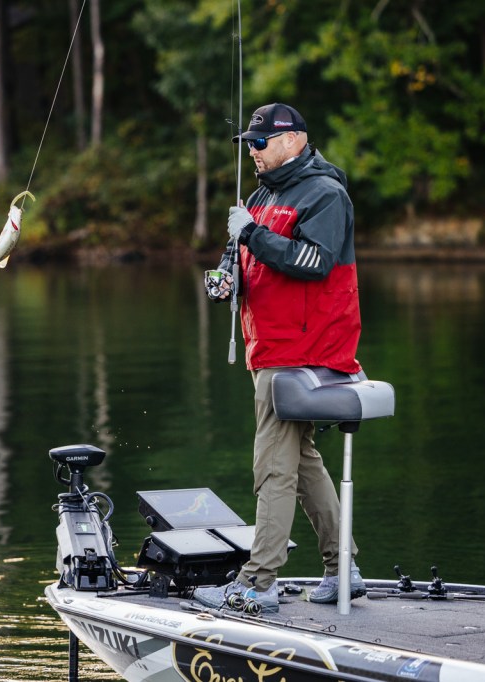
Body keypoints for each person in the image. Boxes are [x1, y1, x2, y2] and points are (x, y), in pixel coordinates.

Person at [194, 103, 366, 614]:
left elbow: (313, 262)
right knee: (302, 460)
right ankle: (343, 568)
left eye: (260, 142)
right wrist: (225, 278)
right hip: (270, 348)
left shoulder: (325, 194)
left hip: (306, 350)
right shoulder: (260, 196)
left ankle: (258, 582)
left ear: (294, 140)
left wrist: (250, 233)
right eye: (248, 143)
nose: (252, 151)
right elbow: (243, 260)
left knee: (273, 466)